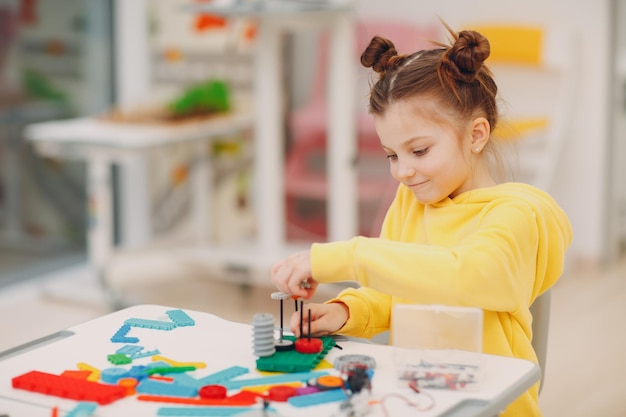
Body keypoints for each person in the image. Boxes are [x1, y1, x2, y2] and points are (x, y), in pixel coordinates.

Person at [270, 22, 572, 417]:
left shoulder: (515, 213)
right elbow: (394, 291)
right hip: (418, 397)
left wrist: (350, 256)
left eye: (420, 150)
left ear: (477, 134)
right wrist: (347, 311)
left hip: (491, 406)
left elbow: (469, 276)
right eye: (392, 155)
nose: (403, 172)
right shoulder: (411, 203)